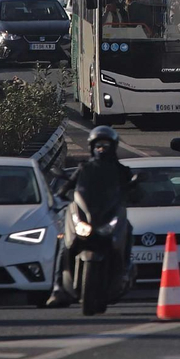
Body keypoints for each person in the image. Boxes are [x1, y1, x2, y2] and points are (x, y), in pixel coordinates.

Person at [46, 125, 136, 307]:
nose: (101, 149)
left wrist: (134, 189)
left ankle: (125, 268)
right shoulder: (84, 168)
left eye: (105, 145)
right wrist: (60, 195)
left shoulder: (121, 170)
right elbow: (67, 187)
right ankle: (57, 287)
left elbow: (135, 192)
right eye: (98, 145)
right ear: (92, 147)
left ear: (113, 146)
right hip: (87, 216)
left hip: (109, 215)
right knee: (63, 241)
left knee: (128, 228)